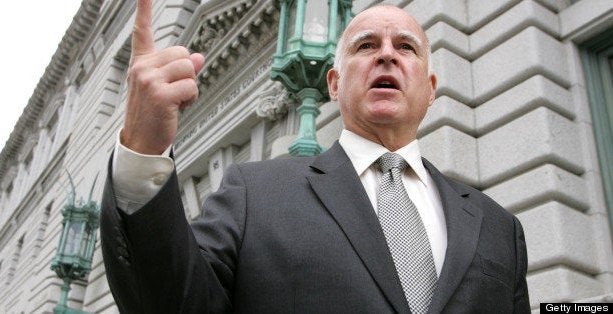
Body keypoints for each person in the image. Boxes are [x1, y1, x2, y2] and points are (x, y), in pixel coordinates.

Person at [100, 1, 530, 313]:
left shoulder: (498, 227)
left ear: (431, 87)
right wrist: (143, 151)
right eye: (365, 46)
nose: (386, 54)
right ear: (334, 84)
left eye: (406, 46)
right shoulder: (254, 194)